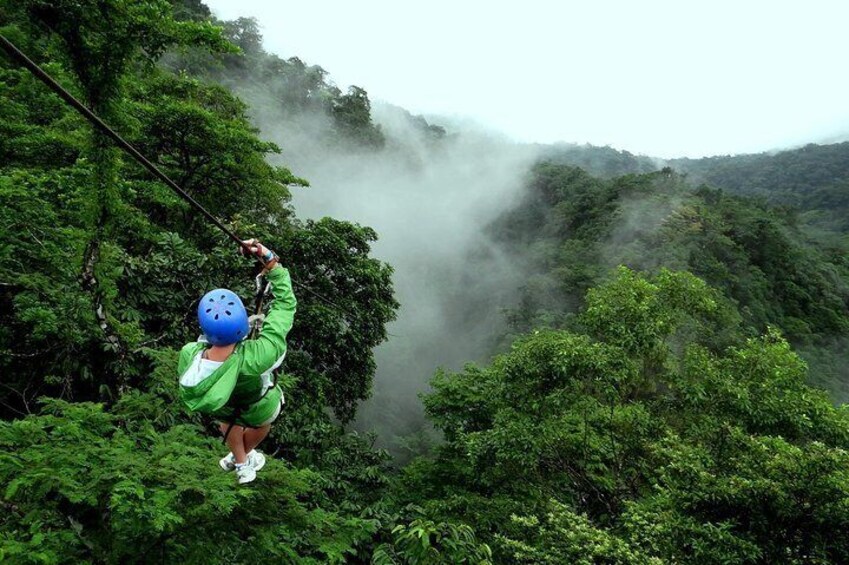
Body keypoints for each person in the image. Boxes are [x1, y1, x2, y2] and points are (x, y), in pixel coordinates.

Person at [177, 239, 296, 484]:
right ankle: (241, 459)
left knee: (228, 422)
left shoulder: (189, 353)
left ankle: (240, 460)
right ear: (241, 327)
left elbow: (203, 346)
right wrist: (271, 261)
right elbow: (285, 306)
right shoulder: (257, 356)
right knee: (266, 420)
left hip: (224, 407)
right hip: (256, 407)